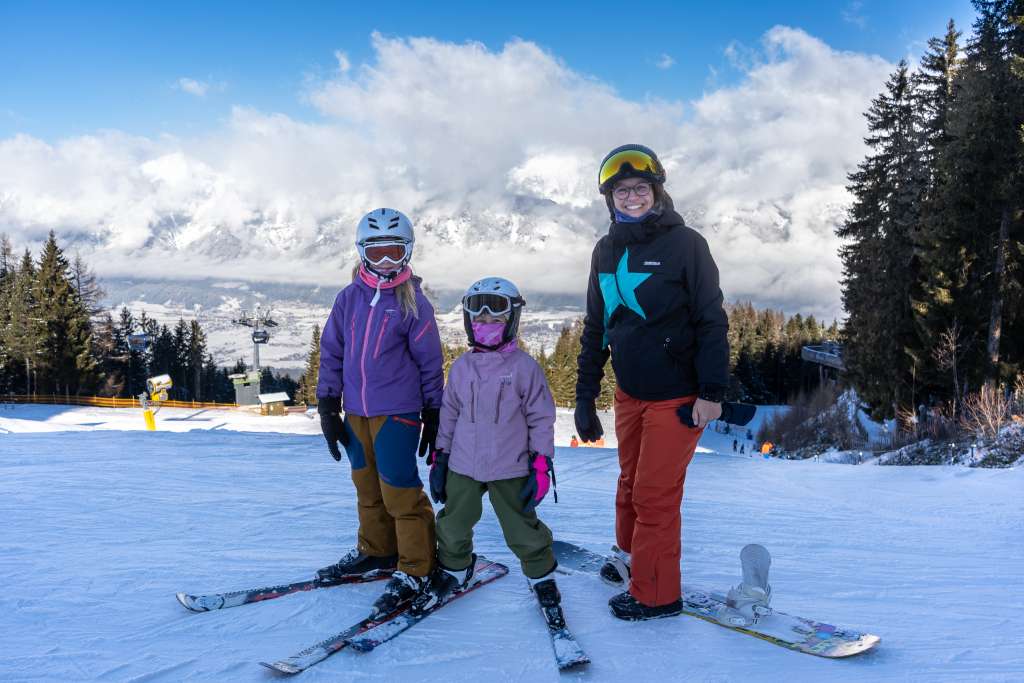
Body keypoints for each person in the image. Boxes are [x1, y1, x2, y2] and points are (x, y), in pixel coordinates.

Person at [574, 144, 729, 621]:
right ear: (610, 199)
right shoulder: (606, 250)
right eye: (622, 190)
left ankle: (657, 594)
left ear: (657, 190)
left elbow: (710, 321)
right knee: (628, 484)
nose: (632, 196)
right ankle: (631, 558)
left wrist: (711, 393)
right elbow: (597, 327)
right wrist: (584, 396)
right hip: (630, 393)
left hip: (677, 397)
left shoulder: (687, 245)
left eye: (641, 188)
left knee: (654, 495)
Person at [315, 208, 444, 617]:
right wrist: (327, 406)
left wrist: (434, 411)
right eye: (377, 253)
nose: (385, 262)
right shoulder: (348, 299)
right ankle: (377, 551)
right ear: (362, 253)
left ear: (408, 252)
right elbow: (332, 353)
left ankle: (416, 566)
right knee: (366, 487)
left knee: (399, 490)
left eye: (394, 252)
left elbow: (429, 362)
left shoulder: (413, 303)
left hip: (398, 414)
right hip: (355, 413)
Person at [414, 277, 563, 621]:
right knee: (453, 523)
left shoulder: (525, 368)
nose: (486, 327)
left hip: (509, 465)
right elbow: (449, 414)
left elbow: (541, 418)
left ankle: (541, 575)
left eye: (495, 321)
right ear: (469, 322)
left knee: (521, 527)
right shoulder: (463, 367)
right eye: (479, 321)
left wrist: (541, 463)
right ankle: (455, 569)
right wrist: (441, 457)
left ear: (511, 322)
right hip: (463, 464)